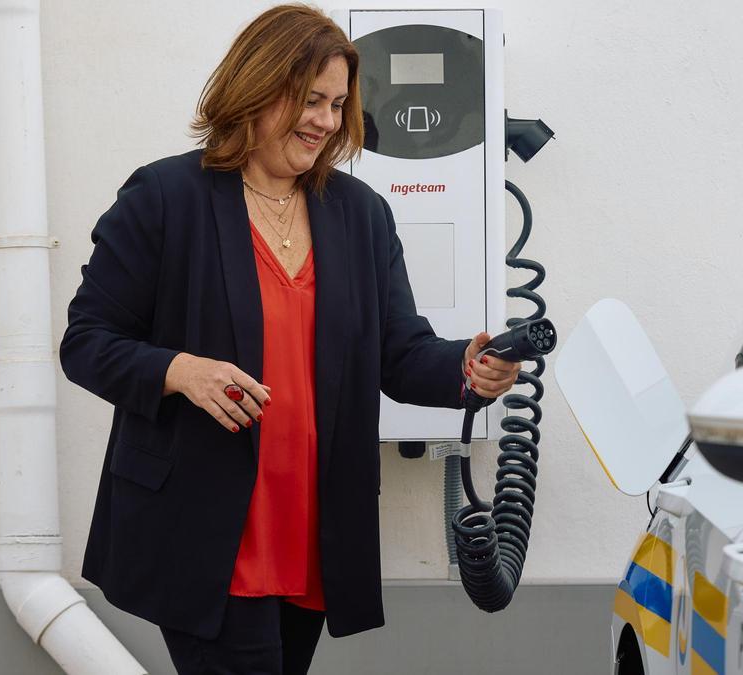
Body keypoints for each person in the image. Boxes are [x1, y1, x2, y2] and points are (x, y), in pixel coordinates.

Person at [58, 5, 520, 672]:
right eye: (310, 100)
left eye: (337, 104)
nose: (326, 121)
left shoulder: (360, 215)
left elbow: (399, 353)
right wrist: (181, 370)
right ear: (256, 87)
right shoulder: (164, 196)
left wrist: (468, 367)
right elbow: (86, 340)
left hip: (313, 529)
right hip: (209, 531)